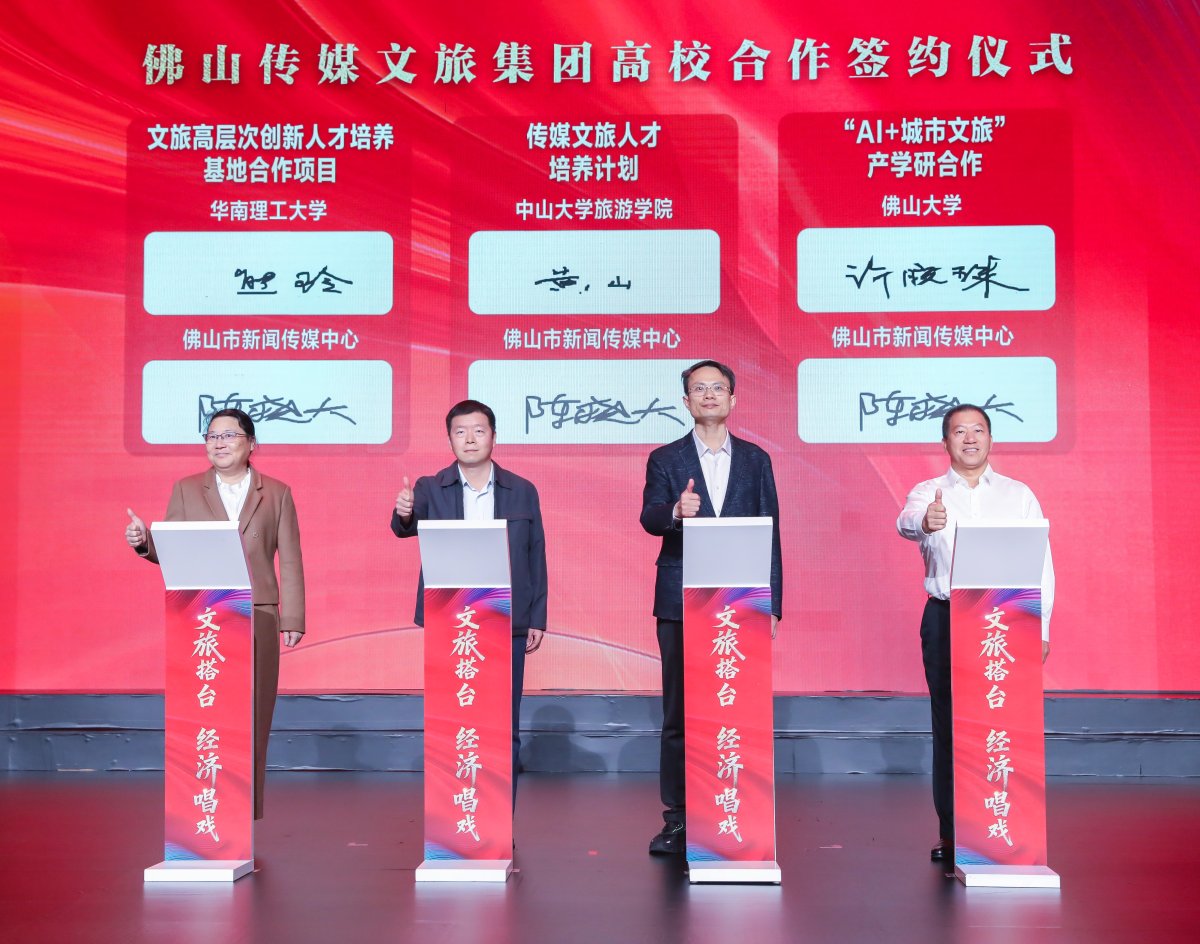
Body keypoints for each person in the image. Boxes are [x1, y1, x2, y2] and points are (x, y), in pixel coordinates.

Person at [125, 408, 305, 820]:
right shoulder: (187, 489)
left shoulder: (276, 492)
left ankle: (245, 809)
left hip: (257, 613)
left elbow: (291, 558)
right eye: (212, 436)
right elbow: (172, 548)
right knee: (205, 710)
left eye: (228, 435)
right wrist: (143, 541)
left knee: (254, 711)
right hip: (203, 614)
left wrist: (292, 617)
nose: (219, 443)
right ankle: (203, 802)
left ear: (251, 444)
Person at [896, 403, 1053, 863]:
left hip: (1008, 621)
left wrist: (1041, 625)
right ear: (945, 442)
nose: (970, 439)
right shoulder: (928, 493)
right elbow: (906, 522)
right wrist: (925, 521)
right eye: (959, 431)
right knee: (950, 727)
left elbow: (1042, 563)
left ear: (990, 438)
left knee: (1004, 726)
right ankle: (953, 833)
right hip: (947, 619)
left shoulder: (1018, 495)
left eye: (978, 430)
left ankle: (1005, 824)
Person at [639, 360, 782, 855]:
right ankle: (678, 817)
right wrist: (676, 512)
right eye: (698, 388)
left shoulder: (756, 459)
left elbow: (770, 531)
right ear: (686, 402)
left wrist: (773, 604)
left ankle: (734, 806)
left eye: (718, 387)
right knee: (679, 712)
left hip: (742, 602)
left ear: (733, 399)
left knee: (737, 708)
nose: (709, 395)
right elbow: (649, 517)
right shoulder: (665, 458)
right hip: (681, 600)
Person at [390, 399, 547, 788]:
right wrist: (405, 512)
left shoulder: (522, 490)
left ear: (494, 436)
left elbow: (536, 554)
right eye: (460, 432)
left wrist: (537, 617)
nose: (470, 439)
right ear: (450, 440)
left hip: (506, 617)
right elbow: (404, 527)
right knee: (454, 720)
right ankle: (457, 813)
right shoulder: (430, 488)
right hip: (450, 618)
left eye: (479, 431)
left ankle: (498, 816)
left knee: (503, 722)